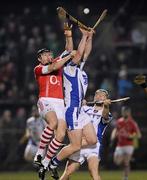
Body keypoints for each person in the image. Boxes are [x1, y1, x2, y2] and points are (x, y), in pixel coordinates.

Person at [49, 28, 97, 178]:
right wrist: (83, 36)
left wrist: (89, 38)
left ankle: (67, 148)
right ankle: (53, 162)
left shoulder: (78, 69)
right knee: (76, 145)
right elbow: (80, 54)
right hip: (71, 110)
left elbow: (86, 53)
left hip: (80, 110)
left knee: (92, 140)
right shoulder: (68, 68)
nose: (76, 53)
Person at [33, 23, 75, 179]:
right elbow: (53, 67)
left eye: (49, 54)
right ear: (39, 58)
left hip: (60, 102)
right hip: (45, 100)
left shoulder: (56, 63)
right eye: (45, 55)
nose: (48, 56)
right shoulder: (38, 68)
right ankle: (38, 154)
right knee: (53, 123)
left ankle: (45, 162)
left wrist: (68, 35)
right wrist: (68, 57)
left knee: (61, 134)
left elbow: (69, 49)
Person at [60, 89, 112, 180]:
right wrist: (80, 104)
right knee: (67, 172)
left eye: (102, 95)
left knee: (93, 173)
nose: (99, 96)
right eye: (97, 95)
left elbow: (105, 116)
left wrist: (106, 106)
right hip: (80, 143)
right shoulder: (85, 108)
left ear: (106, 98)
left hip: (94, 145)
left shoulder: (107, 112)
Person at [111, 106, 142, 180]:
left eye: (126, 111)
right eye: (123, 111)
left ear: (129, 112)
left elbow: (139, 135)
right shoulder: (119, 121)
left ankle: (125, 177)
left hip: (129, 145)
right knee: (117, 161)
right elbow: (116, 130)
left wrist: (131, 136)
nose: (124, 113)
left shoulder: (132, 123)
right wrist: (113, 136)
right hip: (120, 145)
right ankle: (128, 158)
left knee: (126, 163)